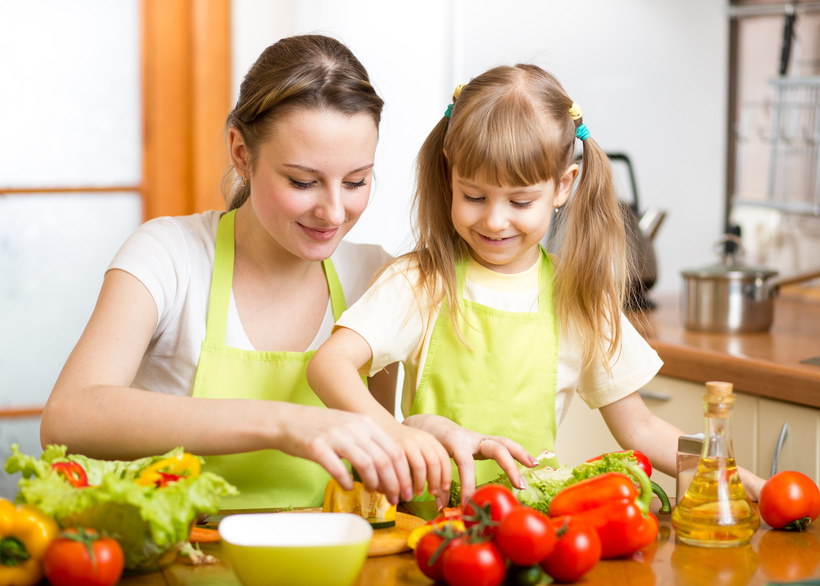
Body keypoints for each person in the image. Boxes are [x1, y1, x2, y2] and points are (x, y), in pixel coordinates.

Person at [307, 63, 766, 503]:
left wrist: (737, 479)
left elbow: (641, 429)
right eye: (473, 196)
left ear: (563, 186)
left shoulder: (579, 297)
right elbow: (329, 366)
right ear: (449, 174)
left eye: (521, 201)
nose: (495, 219)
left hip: (533, 532)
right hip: (433, 532)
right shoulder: (421, 282)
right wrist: (397, 434)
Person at [40, 34, 447, 509]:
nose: (334, 212)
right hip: (177, 564)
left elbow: (372, 459)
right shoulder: (170, 256)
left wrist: (422, 434)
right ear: (241, 153)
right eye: (303, 181)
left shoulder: (375, 277)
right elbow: (69, 417)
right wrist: (284, 423)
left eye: (357, 181)